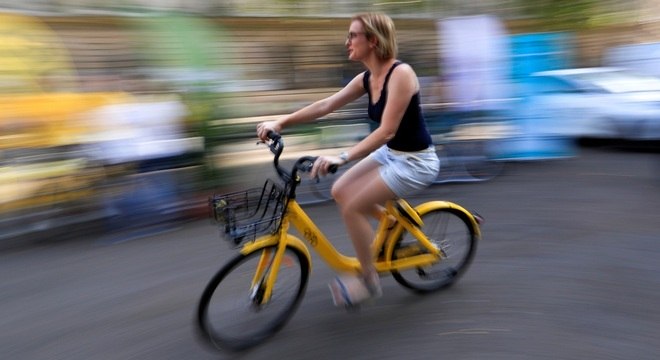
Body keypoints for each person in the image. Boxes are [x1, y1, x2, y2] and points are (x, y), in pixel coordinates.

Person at [257, 12, 439, 307]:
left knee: (353, 207)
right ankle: (390, 223)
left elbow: (387, 130)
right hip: (392, 153)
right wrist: (281, 122)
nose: (347, 42)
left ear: (373, 41)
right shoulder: (367, 78)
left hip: (416, 162)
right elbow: (326, 105)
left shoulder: (401, 74)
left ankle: (369, 281)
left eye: (353, 35)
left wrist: (341, 157)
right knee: (339, 191)